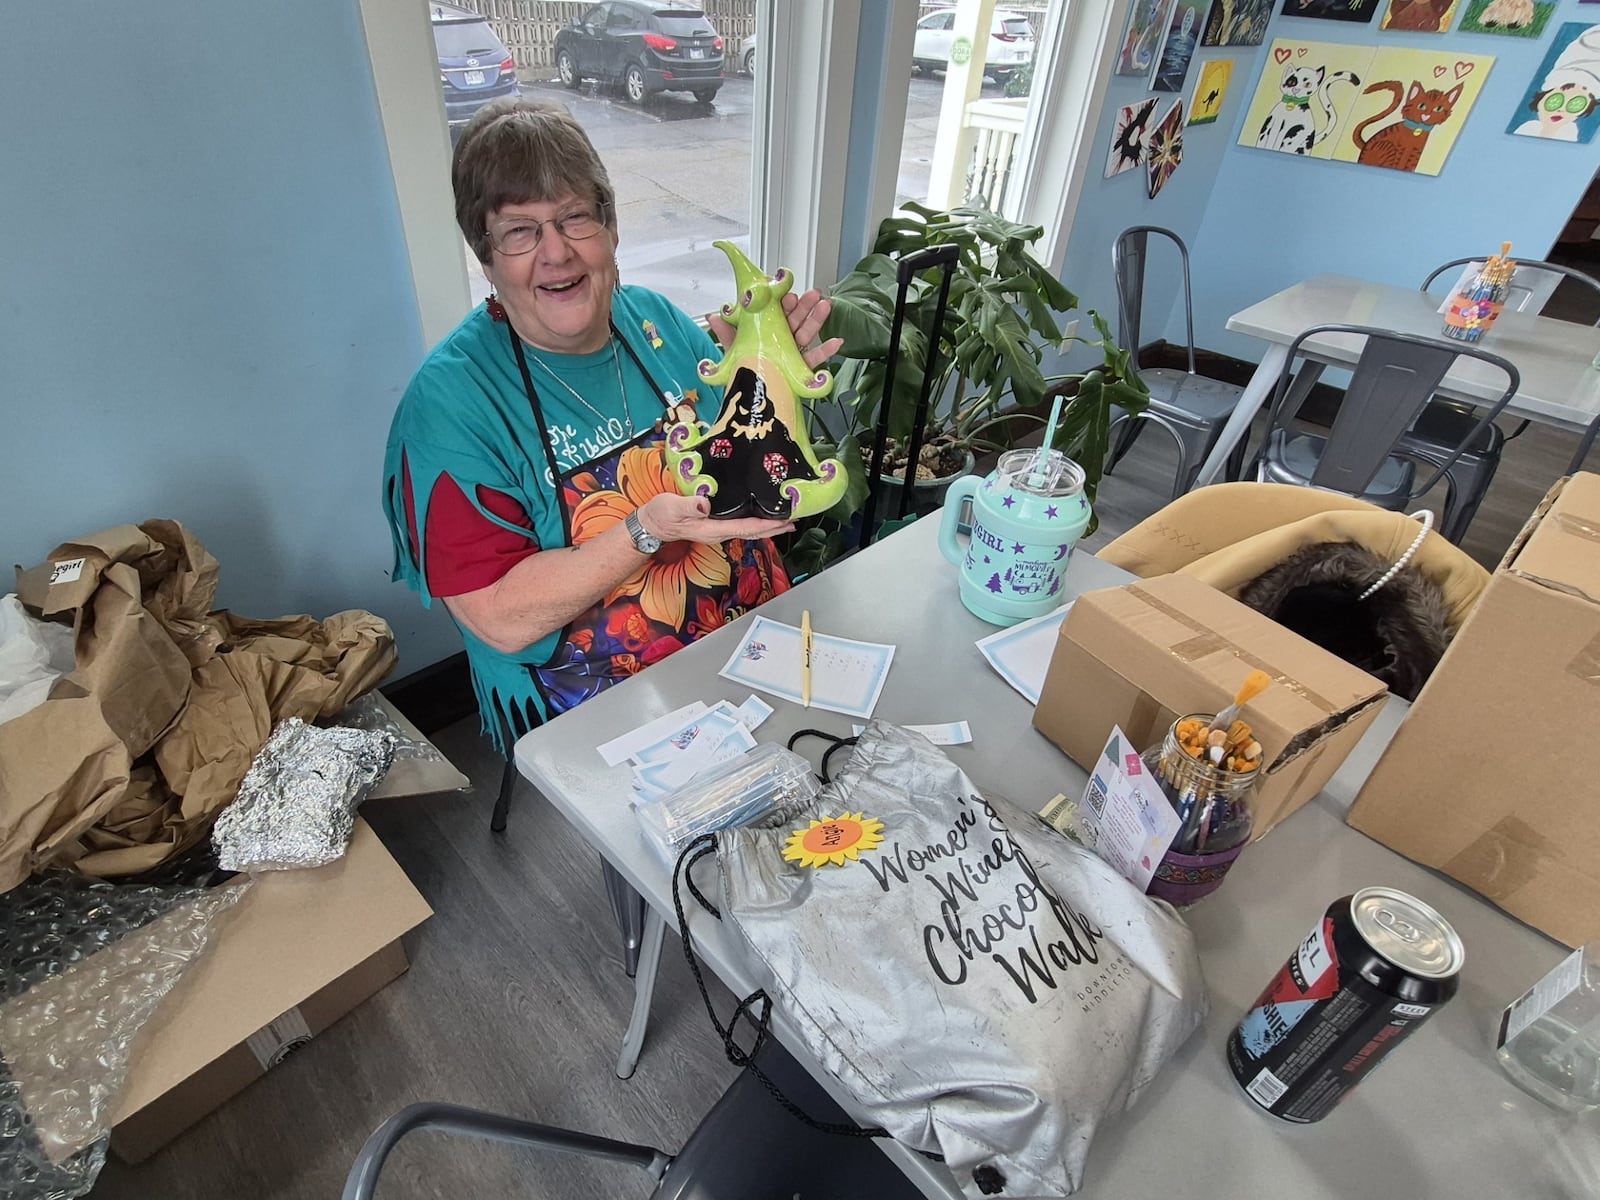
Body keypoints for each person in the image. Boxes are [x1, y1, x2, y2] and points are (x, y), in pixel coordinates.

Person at [382, 98, 841, 749]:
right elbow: (502, 619)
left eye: (574, 218)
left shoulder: (656, 320)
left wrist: (766, 377)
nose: (555, 252)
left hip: (752, 630)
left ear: (612, 225)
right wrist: (645, 528)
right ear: (486, 257)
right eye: (519, 231)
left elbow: (749, 465)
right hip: (606, 696)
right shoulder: (450, 406)